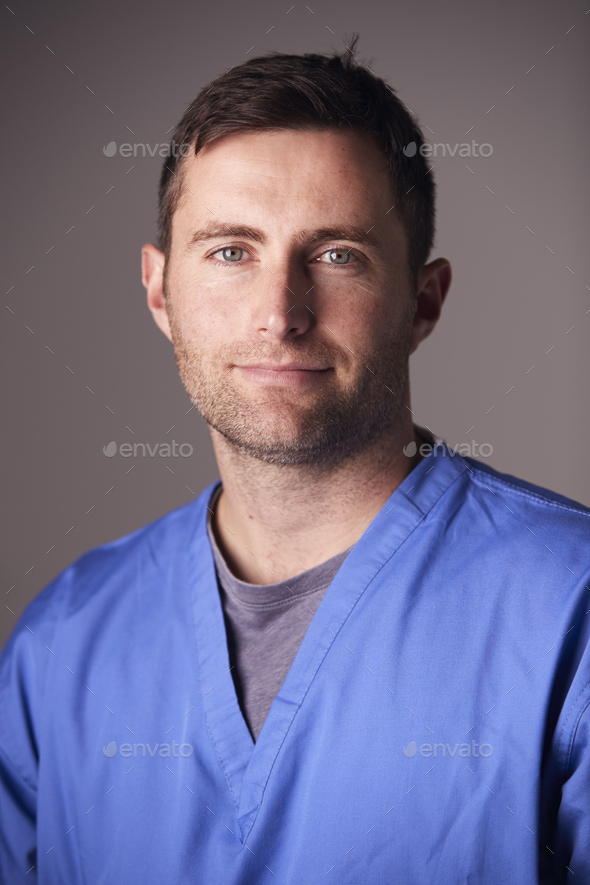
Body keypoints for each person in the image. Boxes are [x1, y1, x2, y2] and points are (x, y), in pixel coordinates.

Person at [1, 37, 589, 885]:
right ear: (160, 291)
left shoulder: (570, 609)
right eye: (231, 250)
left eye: (336, 255)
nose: (280, 313)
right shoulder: (62, 643)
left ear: (423, 302)